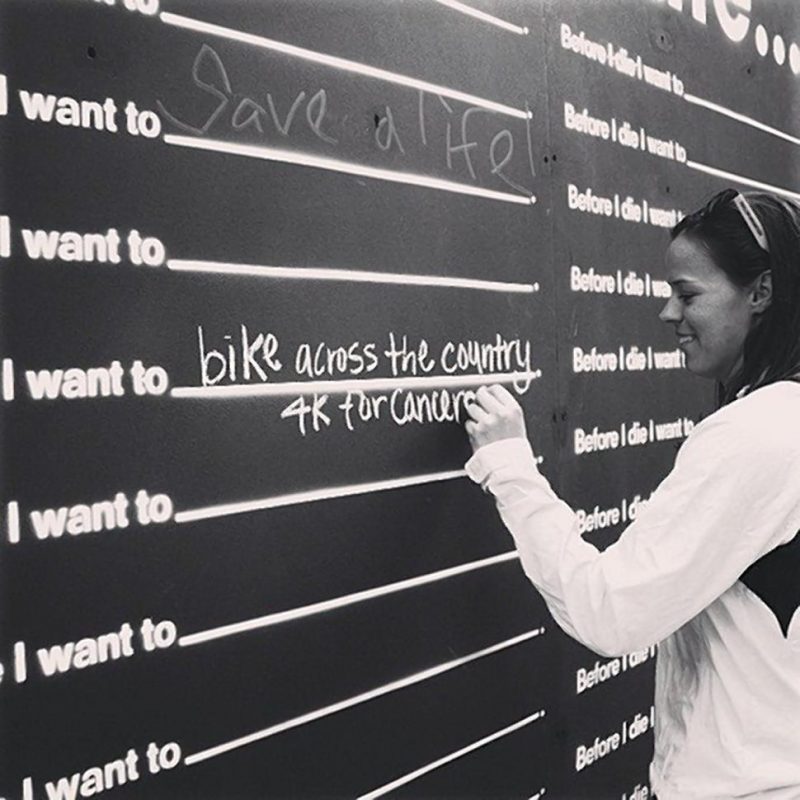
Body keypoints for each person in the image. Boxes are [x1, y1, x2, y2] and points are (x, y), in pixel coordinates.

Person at [464, 188, 800, 799]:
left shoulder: (756, 432)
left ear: (762, 293)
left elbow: (610, 613)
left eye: (688, 294)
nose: (668, 313)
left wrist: (509, 467)